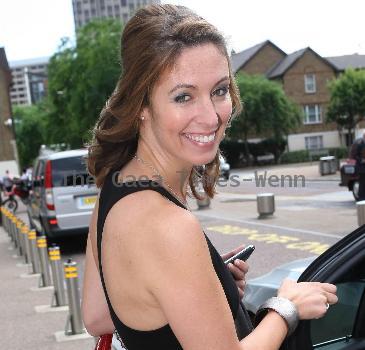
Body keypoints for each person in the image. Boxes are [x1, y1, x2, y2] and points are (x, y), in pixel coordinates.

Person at [82, 4, 338, 349]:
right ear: (141, 106)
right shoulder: (170, 227)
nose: (210, 116)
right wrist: (286, 308)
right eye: (183, 96)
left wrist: (200, 291)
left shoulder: (114, 189)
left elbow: (98, 315)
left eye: (219, 90)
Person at [352, 132, 365, 200]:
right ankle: (361, 199)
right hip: (361, 168)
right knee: (362, 183)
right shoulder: (359, 144)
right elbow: (354, 155)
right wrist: (361, 160)